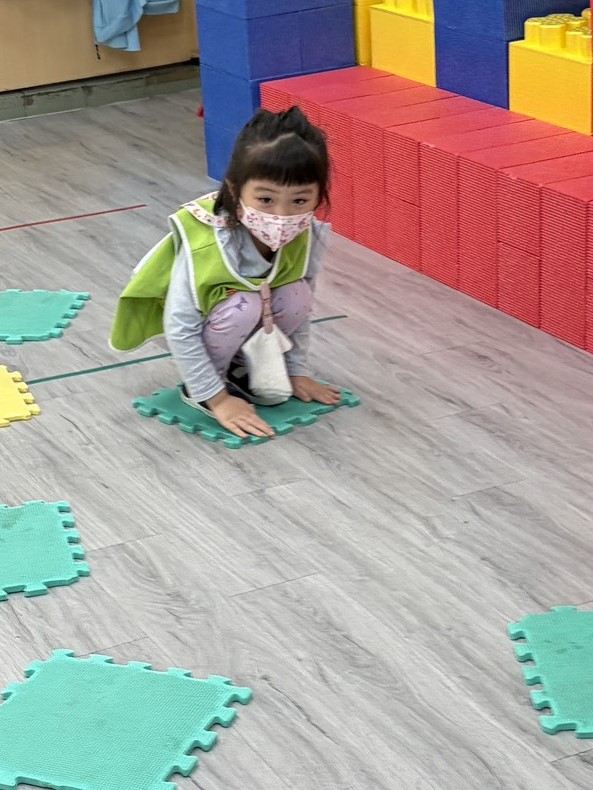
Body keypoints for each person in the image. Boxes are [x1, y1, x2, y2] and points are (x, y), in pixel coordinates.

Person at [111, 106, 341, 439]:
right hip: (192, 325)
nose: (282, 215)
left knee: (296, 295)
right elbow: (180, 326)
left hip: (246, 315)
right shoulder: (207, 241)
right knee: (243, 305)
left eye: (300, 201)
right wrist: (217, 399)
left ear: (319, 195)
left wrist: (296, 371)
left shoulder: (307, 234)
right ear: (235, 190)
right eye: (265, 199)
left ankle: (242, 368)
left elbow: (302, 313)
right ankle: (205, 387)